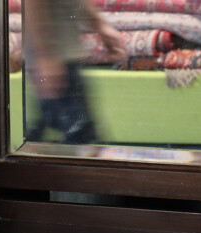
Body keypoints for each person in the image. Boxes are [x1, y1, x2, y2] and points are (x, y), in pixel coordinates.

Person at [23, 0, 126, 144]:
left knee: (45, 138)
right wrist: (45, 56)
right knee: (82, 141)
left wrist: (100, 26)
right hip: (55, 63)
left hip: (64, 60)